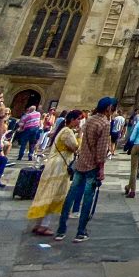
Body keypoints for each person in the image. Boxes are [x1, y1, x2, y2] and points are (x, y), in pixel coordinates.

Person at [55, 96, 117, 243]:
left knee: (71, 195)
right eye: (113, 109)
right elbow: (101, 150)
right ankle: (80, 232)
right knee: (88, 198)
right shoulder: (104, 123)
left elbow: (81, 138)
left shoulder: (89, 119)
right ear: (108, 108)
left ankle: (61, 230)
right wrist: (101, 169)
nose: (113, 112)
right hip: (92, 166)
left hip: (80, 163)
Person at [27, 110, 83, 235]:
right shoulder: (67, 131)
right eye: (78, 119)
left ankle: (39, 224)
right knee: (54, 194)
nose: (79, 121)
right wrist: (80, 135)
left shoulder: (63, 130)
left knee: (46, 193)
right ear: (72, 119)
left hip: (54, 165)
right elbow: (76, 148)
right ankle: (44, 226)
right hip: (59, 167)